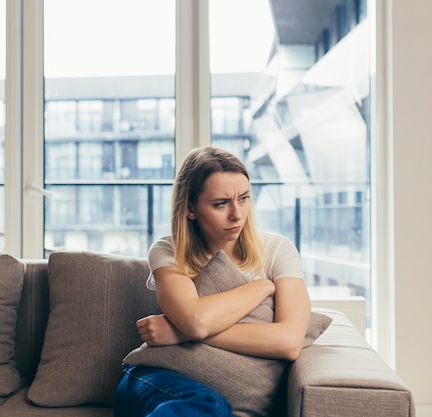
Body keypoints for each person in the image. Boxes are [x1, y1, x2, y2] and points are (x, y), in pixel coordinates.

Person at [114, 146, 311, 417]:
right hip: (154, 377)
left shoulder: (278, 250)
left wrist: (178, 332)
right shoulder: (168, 251)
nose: (237, 214)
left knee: (214, 408)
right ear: (190, 209)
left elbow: (289, 341)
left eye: (244, 199)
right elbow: (196, 321)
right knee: (205, 404)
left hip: (218, 396)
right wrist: (261, 286)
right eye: (221, 204)